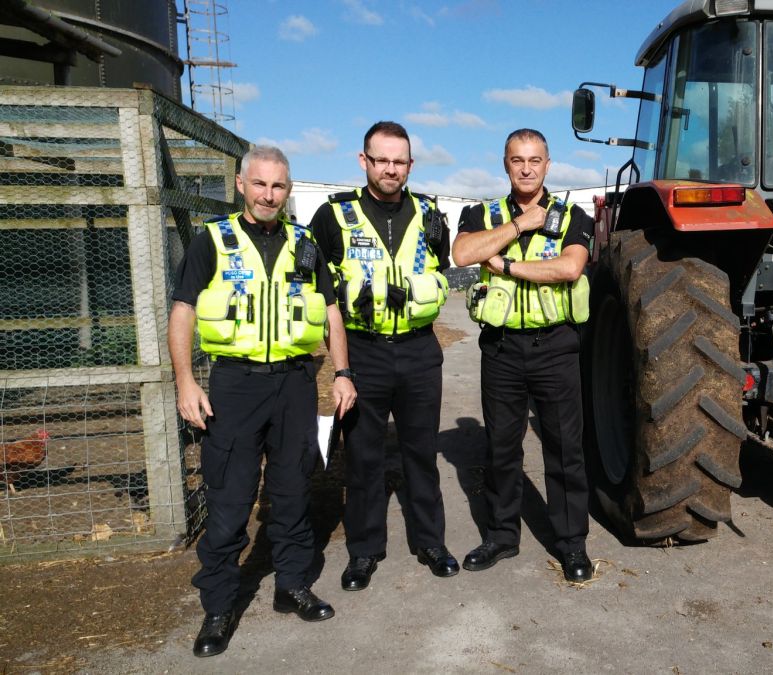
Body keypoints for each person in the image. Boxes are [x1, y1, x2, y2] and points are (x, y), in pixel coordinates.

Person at [169, 145, 357, 658]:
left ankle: (291, 585)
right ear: (240, 184)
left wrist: (341, 372)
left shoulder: (307, 244)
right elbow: (183, 310)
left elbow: (330, 312)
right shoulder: (213, 241)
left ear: (288, 190)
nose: (268, 194)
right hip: (235, 384)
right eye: (260, 184)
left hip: (295, 383)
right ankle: (219, 605)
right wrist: (186, 381)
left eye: (278, 186)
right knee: (230, 498)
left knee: (294, 488)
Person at [309, 121, 457, 590]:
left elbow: (440, 270)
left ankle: (431, 542)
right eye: (382, 160)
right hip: (364, 351)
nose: (391, 169)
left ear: (410, 165)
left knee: (421, 454)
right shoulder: (333, 218)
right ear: (363, 161)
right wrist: (341, 368)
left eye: (400, 161)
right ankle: (364, 552)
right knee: (364, 459)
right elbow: (324, 297)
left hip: (418, 351)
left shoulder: (431, 216)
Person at [451, 128, 595, 582]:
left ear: (548, 165)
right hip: (502, 348)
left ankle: (571, 545)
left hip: (555, 347)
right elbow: (462, 254)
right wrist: (516, 228)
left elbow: (569, 267)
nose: (527, 168)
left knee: (565, 449)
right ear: (505, 164)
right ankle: (501, 535)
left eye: (535, 160)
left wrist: (508, 265)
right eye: (518, 160)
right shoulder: (483, 213)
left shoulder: (573, 215)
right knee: (500, 447)